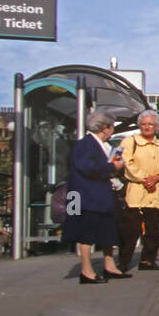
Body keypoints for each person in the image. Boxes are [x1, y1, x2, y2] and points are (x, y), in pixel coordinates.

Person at [64, 110, 131, 284]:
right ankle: (86, 271)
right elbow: (88, 167)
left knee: (108, 232)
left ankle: (109, 266)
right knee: (87, 233)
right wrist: (112, 166)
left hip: (102, 196)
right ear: (104, 127)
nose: (112, 131)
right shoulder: (84, 144)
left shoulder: (105, 145)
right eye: (111, 127)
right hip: (88, 197)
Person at [117, 109, 159, 272]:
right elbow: (127, 163)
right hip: (135, 194)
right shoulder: (129, 142)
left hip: (157, 195)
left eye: (150, 124)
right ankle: (123, 263)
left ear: (157, 127)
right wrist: (145, 179)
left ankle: (148, 261)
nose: (147, 127)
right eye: (143, 124)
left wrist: (156, 177)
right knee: (130, 231)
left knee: (153, 231)